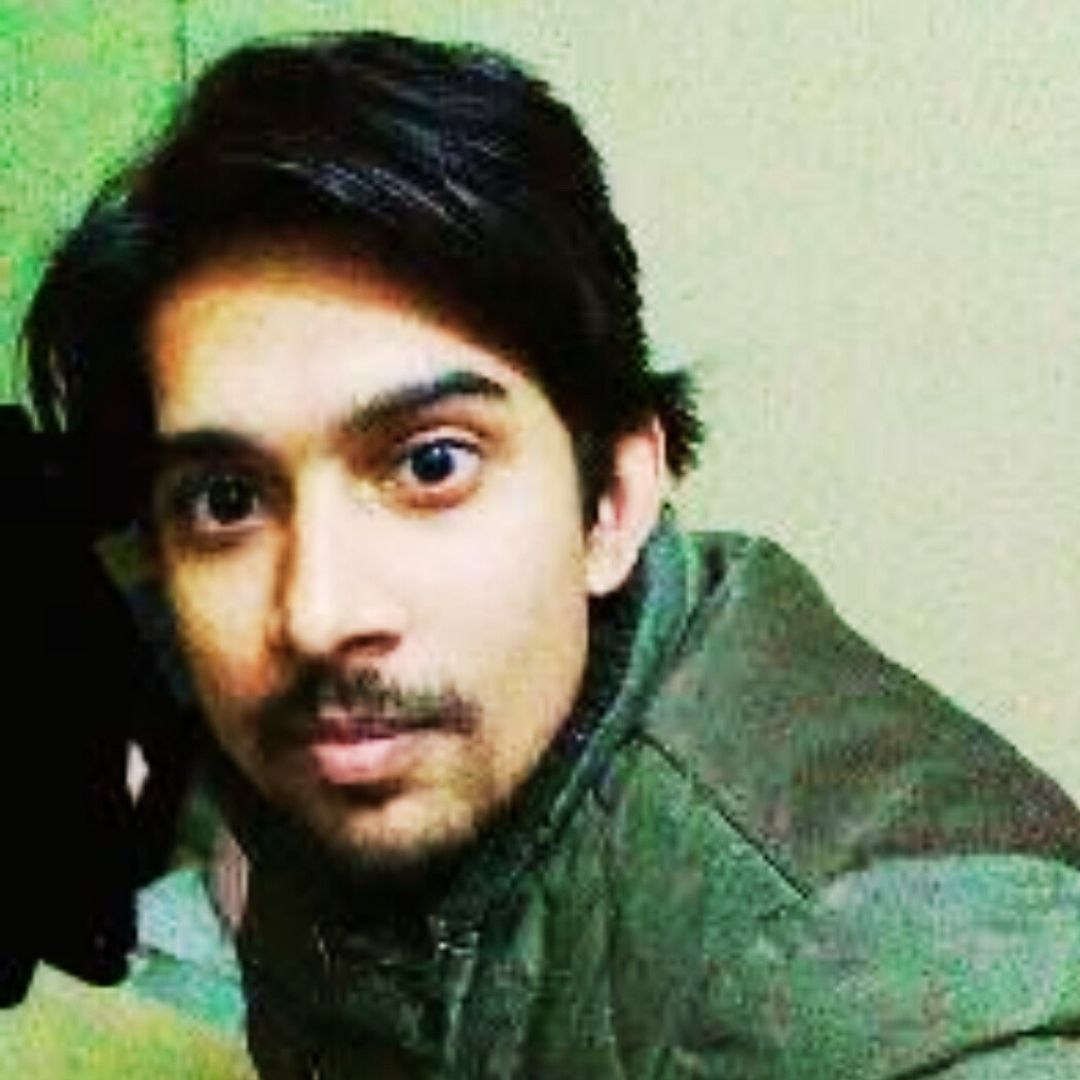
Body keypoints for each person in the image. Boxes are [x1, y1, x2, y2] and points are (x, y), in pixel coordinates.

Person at [17, 29, 1080, 1078]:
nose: (316, 615)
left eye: (432, 464)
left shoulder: (885, 982)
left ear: (612, 502)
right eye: (228, 498)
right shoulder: (349, 724)